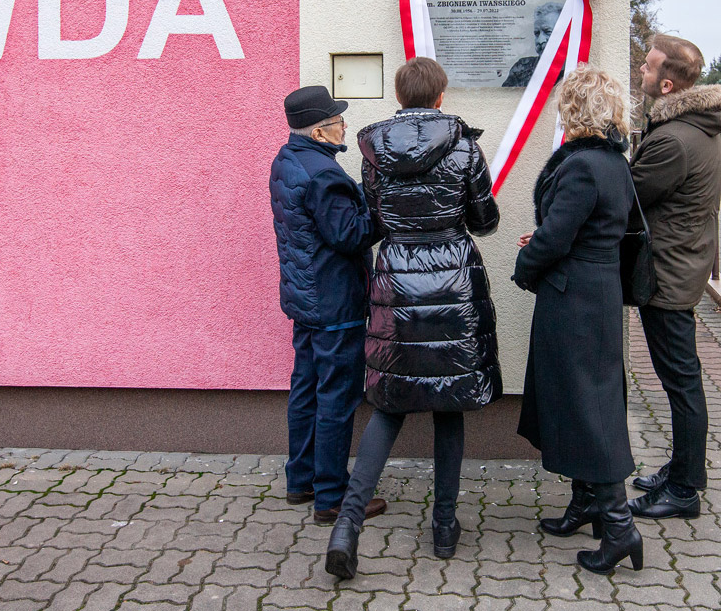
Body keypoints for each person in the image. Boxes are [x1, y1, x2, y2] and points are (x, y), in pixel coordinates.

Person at [325, 57, 501, 580]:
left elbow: (374, 220)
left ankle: (347, 526)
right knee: (449, 403)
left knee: (389, 404)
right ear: (440, 97)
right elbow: (485, 220)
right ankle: (444, 527)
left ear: (401, 97)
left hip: (397, 280)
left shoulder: (374, 152)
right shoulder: (465, 146)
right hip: (452, 281)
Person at [513, 63, 643, 575]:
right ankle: (588, 502)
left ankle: (619, 526)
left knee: (588, 407)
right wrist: (550, 241)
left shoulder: (584, 165)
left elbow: (556, 238)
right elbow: (590, 231)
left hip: (576, 304)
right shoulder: (612, 163)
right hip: (595, 294)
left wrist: (528, 263)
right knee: (581, 398)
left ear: (575, 110)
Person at [269, 85, 387, 524]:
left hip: (306, 297)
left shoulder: (287, 161)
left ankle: (300, 481)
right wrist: (380, 209)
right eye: (338, 122)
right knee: (336, 397)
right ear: (320, 132)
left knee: (305, 389)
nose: (344, 127)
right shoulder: (324, 175)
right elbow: (349, 235)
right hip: (335, 301)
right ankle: (332, 498)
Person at [626, 35, 721, 520]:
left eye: (647, 69)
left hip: (669, 272)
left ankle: (686, 488)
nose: (641, 74)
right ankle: (681, 468)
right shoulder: (694, 127)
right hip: (682, 262)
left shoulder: (672, 140)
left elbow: (627, 195)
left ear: (667, 83)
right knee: (679, 379)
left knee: (682, 382)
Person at [502, 2, 563, 87]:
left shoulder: (575, 69)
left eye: (548, 32)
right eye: (537, 33)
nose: (540, 40)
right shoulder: (521, 69)